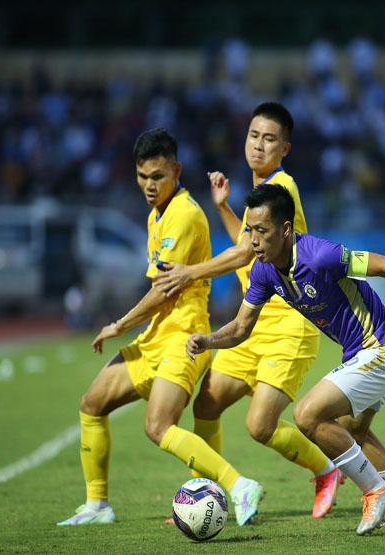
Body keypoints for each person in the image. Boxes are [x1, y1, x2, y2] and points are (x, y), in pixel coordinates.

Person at [185, 184, 385, 535]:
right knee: (354, 431)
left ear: (285, 230)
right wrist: (210, 341)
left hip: (382, 346)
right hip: (361, 352)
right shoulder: (263, 271)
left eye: (261, 231)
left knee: (307, 414)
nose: (253, 240)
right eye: (249, 230)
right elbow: (241, 327)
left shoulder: (320, 255)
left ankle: (375, 490)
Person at [57, 128, 263, 527]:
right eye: (142, 176)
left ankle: (239, 486)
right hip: (156, 337)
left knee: (157, 427)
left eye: (157, 176)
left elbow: (164, 291)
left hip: (184, 338)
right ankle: (97, 506)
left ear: (177, 171)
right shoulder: (158, 214)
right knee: (92, 404)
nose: (149, 186)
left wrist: (118, 324)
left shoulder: (184, 214)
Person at [154, 102, 342, 519]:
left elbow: (242, 253)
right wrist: (224, 208)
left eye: (269, 138)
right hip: (249, 322)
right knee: (206, 406)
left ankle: (327, 469)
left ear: (285, 148)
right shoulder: (261, 192)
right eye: (254, 135)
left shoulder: (284, 187)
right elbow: (251, 242)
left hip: (289, 323)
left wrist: (190, 273)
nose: (258, 145)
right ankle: (213, 494)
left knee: (259, 427)